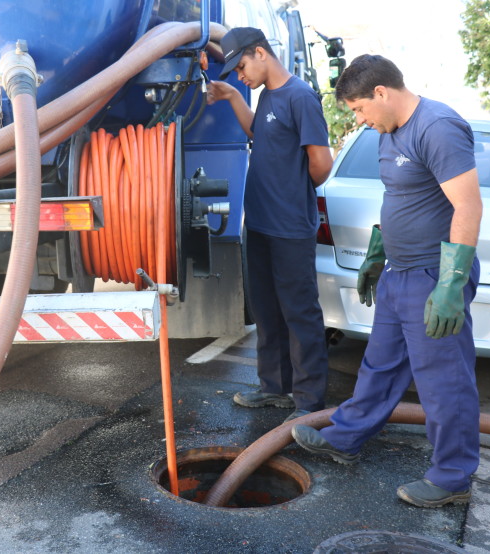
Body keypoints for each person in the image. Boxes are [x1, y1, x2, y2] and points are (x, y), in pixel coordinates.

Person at [291, 54, 483, 508]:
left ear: (382, 92)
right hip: (400, 272)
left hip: (434, 275)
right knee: (380, 365)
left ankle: (453, 477)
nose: (359, 119)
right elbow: (400, 195)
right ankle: (345, 437)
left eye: (359, 109)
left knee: (444, 382)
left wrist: (451, 285)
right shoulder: (387, 131)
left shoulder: (437, 127)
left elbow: (468, 207)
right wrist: (378, 254)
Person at [207, 27, 333, 423]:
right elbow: (257, 134)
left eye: (241, 66)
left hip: (290, 226)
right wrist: (230, 96)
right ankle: (275, 388)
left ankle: (309, 402)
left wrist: (292, 189)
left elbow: (322, 165)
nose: (240, 75)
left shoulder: (300, 96)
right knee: (266, 309)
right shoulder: (265, 97)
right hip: (258, 222)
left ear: (260, 52)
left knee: (299, 312)